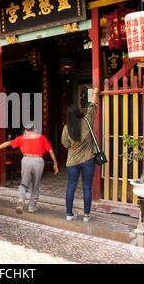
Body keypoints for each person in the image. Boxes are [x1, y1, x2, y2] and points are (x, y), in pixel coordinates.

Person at [0, 124, 59, 214]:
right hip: (38, 161)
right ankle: (31, 207)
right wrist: (55, 164)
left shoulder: (22, 137)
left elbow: (8, 143)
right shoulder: (42, 137)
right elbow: (51, 151)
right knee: (35, 185)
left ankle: (21, 199)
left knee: (23, 184)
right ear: (35, 130)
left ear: (26, 131)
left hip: (26, 160)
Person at [61, 87, 100, 223]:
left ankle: (69, 214)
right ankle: (86, 215)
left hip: (72, 162)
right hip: (88, 160)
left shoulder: (66, 128)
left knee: (71, 186)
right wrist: (95, 93)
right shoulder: (87, 121)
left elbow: (65, 145)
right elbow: (92, 107)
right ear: (78, 113)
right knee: (87, 187)